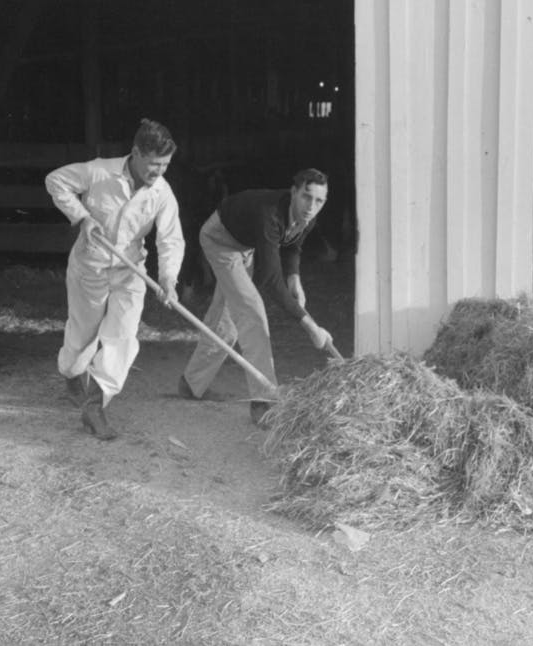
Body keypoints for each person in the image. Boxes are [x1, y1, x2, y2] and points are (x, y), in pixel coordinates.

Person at [45, 118, 185, 440]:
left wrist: (168, 280)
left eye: (165, 165)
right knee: (83, 335)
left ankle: (96, 405)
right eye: (153, 165)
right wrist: (82, 217)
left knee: (122, 336)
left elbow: (170, 239)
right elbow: (55, 181)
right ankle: (71, 373)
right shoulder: (99, 171)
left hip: (130, 270)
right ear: (135, 153)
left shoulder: (161, 192)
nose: (159, 172)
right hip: (89, 268)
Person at [178, 168, 334, 420]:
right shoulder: (270, 214)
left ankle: (191, 383)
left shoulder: (309, 215)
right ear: (293, 192)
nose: (311, 206)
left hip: (245, 245)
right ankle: (264, 402)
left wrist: (294, 278)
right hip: (220, 239)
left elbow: (294, 243)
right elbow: (270, 280)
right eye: (306, 196)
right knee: (253, 313)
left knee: (226, 322)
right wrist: (311, 326)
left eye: (319, 201)